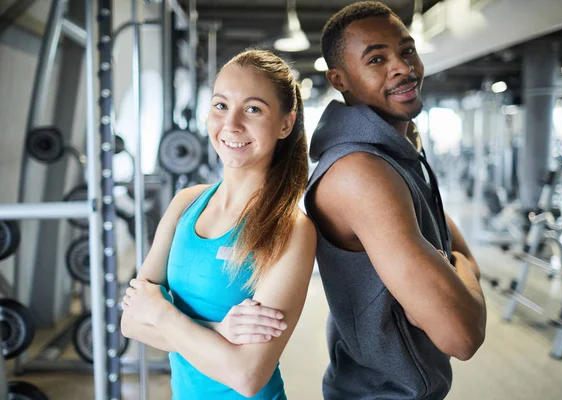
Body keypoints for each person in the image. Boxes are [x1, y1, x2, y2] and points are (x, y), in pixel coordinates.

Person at [303, 2, 487, 399]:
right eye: (376, 59)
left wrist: (455, 269)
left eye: (406, 50)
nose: (403, 67)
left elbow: (453, 249)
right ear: (340, 79)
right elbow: (463, 334)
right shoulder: (360, 173)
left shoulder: (397, 151)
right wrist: (460, 268)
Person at [120, 49, 316, 400]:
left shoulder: (290, 229)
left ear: (286, 123)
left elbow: (247, 375)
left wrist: (162, 313)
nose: (231, 124)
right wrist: (218, 329)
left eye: (253, 109)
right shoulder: (186, 203)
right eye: (221, 105)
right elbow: (131, 321)